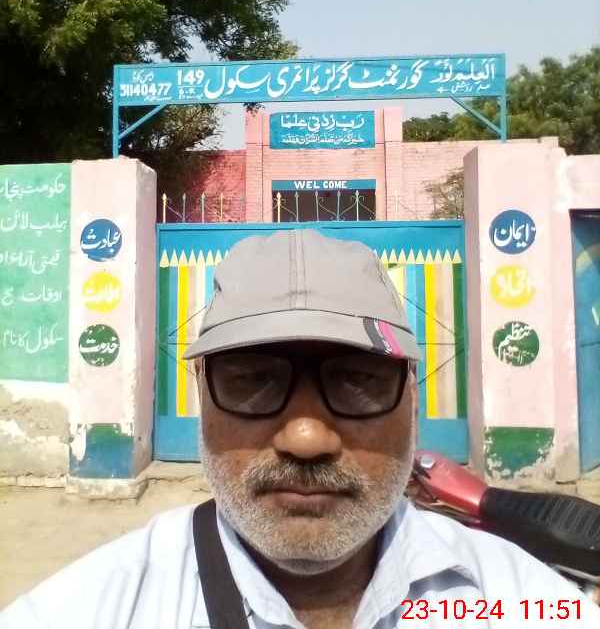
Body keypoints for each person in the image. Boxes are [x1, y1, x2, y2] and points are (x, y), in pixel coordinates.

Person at [1, 229, 597, 628]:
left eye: (359, 381)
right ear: (202, 395)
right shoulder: (91, 609)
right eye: (251, 381)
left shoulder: (522, 601)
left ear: (412, 398)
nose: (307, 438)